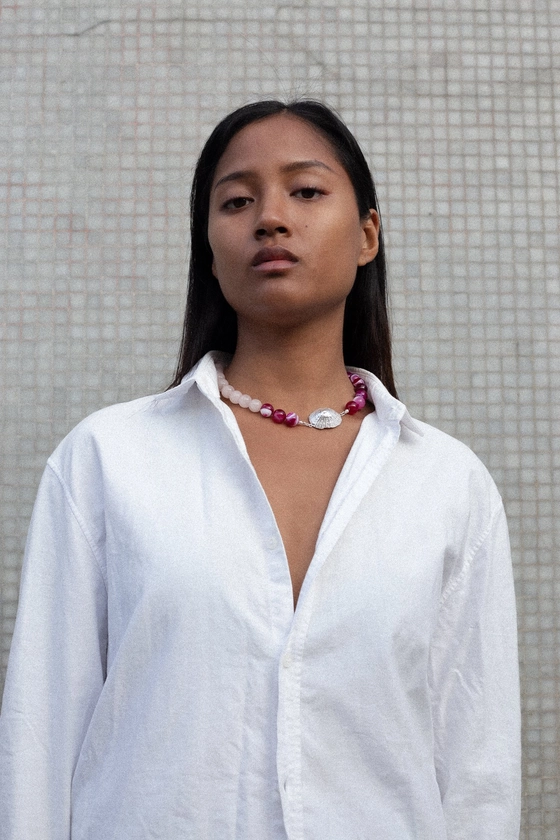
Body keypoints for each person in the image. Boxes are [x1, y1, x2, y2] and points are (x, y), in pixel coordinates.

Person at [0, 100, 521, 839]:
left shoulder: (447, 484)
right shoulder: (107, 462)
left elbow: (478, 771)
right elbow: (39, 738)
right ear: (209, 248)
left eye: (306, 191)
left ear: (368, 234)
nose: (269, 218)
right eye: (237, 201)